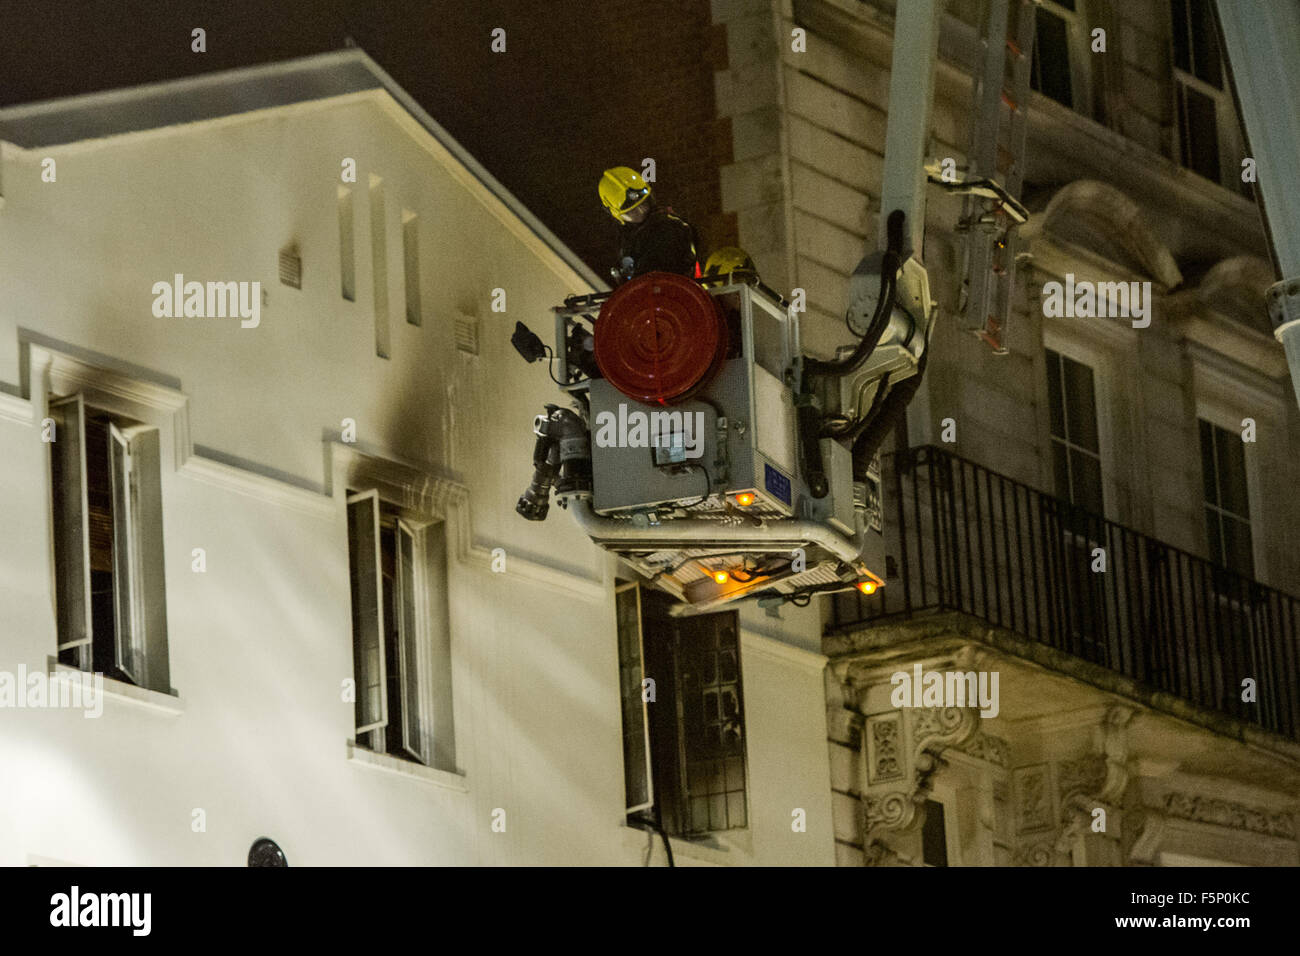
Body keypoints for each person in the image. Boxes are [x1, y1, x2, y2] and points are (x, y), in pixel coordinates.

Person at [598, 166, 700, 283]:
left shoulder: (670, 228)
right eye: (632, 211)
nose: (641, 211)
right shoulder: (624, 238)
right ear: (615, 214)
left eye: (644, 204)